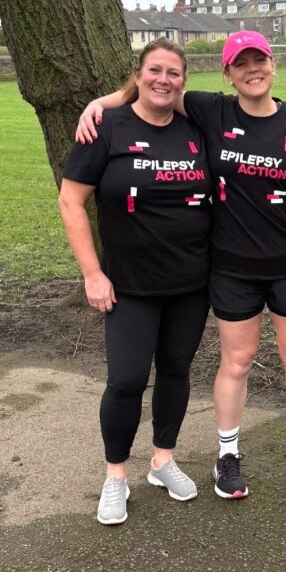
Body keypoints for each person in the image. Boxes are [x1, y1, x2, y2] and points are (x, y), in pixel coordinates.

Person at [76, 30, 286, 499]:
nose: (253, 70)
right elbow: (155, 89)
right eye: (241, 63)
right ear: (227, 74)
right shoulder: (210, 110)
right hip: (231, 263)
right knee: (235, 361)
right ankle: (226, 456)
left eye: (260, 60)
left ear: (274, 65)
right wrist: (101, 102)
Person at [59, 38, 211, 525]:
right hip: (128, 284)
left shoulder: (196, 129)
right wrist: (92, 273)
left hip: (191, 282)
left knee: (176, 371)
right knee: (126, 381)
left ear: (183, 82)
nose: (163, 79)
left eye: (173, 72)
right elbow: (70, 201)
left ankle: (163, 460)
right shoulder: (106, 127)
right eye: (155, 70)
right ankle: (116, 476)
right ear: (138, 75)